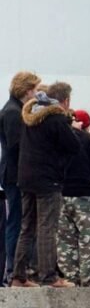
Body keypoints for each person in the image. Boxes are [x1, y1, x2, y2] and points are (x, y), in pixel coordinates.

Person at [14, 83, 80, 288]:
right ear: (66, 100)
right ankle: (49, 277)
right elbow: (74, 146)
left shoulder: (29, 116)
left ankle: (18, 276)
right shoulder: (56, 119)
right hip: (48, 178)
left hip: (26, 177)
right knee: (47, 227)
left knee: (27, 227)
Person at [57, 109, 90, 286]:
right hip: (85, 193)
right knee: (89, 236)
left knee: (65, 239)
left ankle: (70, 276)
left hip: (62, 192)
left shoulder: (55, 139)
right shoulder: (86, 138)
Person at [1, 71, 39, 285]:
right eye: (34, 90)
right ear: (27, 90)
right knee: (16, 222)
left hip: (12, 173)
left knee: (17, 221)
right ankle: (13, 271)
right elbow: (17, 146)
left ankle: (15, 271)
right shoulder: (14, 113)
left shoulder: (12, 110)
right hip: (15, 175)